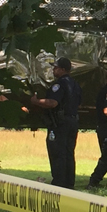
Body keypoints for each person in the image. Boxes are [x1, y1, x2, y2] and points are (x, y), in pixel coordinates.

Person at [30, 57, 82, 188]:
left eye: (56, 68)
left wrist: (36, 102)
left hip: (59, 123)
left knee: (57, 152)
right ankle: (69, 182)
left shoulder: (59, 85)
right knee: (69, 153)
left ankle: (59, 182)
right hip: (73, 121)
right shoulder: (75, 84)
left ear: (63, 69)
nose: (53, 70)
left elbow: (53, 103)